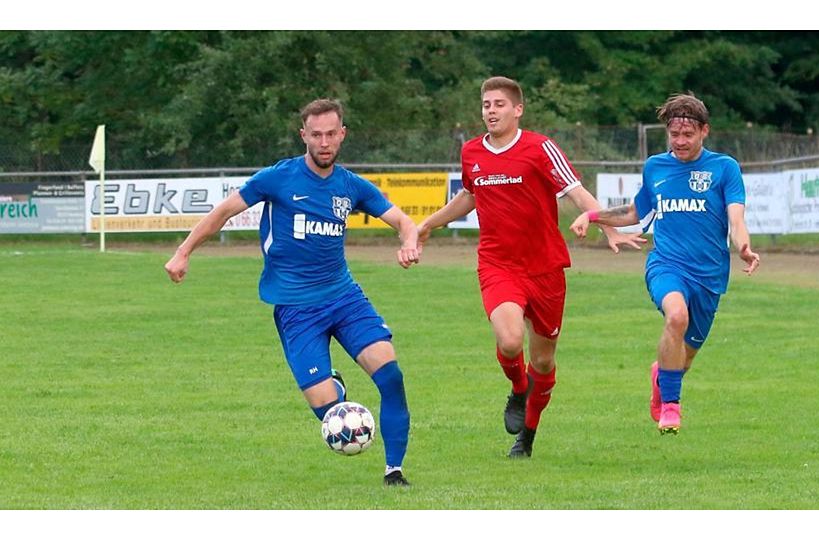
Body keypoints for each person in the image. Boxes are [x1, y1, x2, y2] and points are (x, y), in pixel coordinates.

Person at [164, 98, 418, 486]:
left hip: (345, 298)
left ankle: (394, 471)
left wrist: (409, 241)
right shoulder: (278, 178)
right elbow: (223, 212)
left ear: (342, 134)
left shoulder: (350, 186)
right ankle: (334, 387)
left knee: (391, 377)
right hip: (296, 309)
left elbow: (402, 221)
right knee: (328, 411)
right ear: (303, 136)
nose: (324, 142)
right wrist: (183, 252)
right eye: (316, 135)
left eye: (331, 134)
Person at [417, 76, 645, 458]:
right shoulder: (472, 152)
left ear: (518, 109)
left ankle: (527, 437)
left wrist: (608, 227)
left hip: (545, 269)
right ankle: (518, 389)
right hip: (498, 264)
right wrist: (429, 223)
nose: (491, 111)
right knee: (509, 341)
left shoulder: (540, 148)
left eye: (499, 104)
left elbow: (576, 192)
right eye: (486, 104)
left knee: (543, 360)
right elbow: (470, 196)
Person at [570, 92, 760, 435]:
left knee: (681, 361)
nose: (680, 141)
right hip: (666, 265)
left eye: (688, 134)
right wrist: (592, 215)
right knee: (676, 316)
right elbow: (634, 212)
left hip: (710, 276)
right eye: (674, 134)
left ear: (704, 131)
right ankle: (671, 407)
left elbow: (736, 218)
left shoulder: (724, 168)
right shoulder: (656, 167)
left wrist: (743, 246)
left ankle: (662, 376)